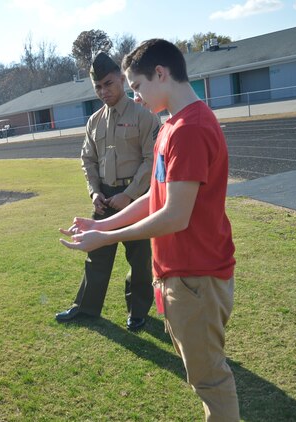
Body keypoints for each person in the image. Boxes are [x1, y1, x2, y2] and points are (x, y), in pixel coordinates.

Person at [60, 39, 239, 421]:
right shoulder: (172, 126)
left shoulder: (189, 129)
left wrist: (106, 238)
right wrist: (101, 223)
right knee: (201, 376)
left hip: (196, 278)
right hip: (181, 277)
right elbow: (156, 198)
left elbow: (175, 216)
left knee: (210, 381)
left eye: (137, 86)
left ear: (161, 74)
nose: (135, 97)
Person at [55, 52, 160, 332]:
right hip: (104, 198)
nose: (104, 91)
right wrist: (93, 193)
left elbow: (152, 159)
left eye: (108, 83)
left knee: (139, 260)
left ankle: (137, 311)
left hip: (136, 198)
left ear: (122, 80)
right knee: (95, 255)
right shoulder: (93, 122)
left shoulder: (144, 116)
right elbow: (87, 160)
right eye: (98, 87)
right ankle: (86, 308)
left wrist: (130, 194)